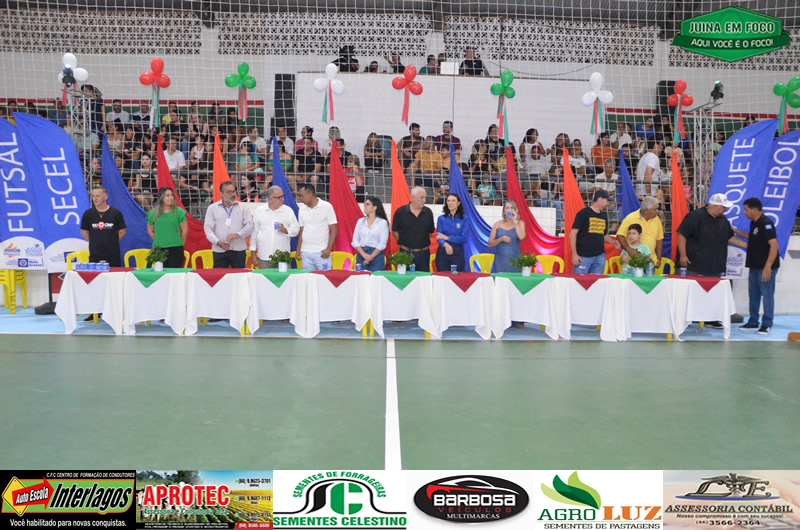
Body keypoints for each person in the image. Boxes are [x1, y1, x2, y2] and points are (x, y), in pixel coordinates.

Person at [676, 193, 748, 329]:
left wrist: (748, 246)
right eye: (723, 207)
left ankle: (711, 318)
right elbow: (681, 234)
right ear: (715, 206)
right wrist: (683, 255)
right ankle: (686, 318)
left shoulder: (723, 220)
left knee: (713, 294)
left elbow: (730, 238)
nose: (725, 210)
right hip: (694, 264)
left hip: (715, 265)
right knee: (690, 293)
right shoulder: (695, 216)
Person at [736, 197, 779, 334]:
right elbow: (753, 236)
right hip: (754, 266)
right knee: (753, 295)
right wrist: (735, 231)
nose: (744, 212)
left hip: (765, 267)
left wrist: (768, 266)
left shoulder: (766, 223)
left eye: (746, 209)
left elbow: (774, 245)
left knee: (767, 296)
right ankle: (753, 321)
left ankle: (767, 324)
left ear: (754, 210)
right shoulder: (754, 222)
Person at [203, 181, 254, 268]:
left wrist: (238, 234)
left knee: (239, 275)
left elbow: (250, 225)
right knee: (220, 275)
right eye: (229, 192)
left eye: (233, 191)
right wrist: (217, 242)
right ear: (221, 194)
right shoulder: (212, 208)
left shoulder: (243, 208)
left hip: (238, 249)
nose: (232, 194)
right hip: (219, 249)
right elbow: (208, 228)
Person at [250, 186, 299, 268]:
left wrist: (286, 230)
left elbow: (296, 230)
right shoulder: (259, 211)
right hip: (264, 256)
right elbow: (254, 233)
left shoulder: (288, 211)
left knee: (284, 277)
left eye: (283, 196)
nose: (282, 199)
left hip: (283, 257)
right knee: (265, 276)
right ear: (271, 199)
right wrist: (253, 254)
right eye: (279, 197)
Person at [570, 190, 617, 274]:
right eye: (607, 200)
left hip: (599, 256)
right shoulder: (583, 213)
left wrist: (614, 242)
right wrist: (574, 254)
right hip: (583, 256)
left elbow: (603, 235)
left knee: (597, 281)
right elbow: (573, 233)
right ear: (600, 199)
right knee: (579, 280)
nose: (608, 204)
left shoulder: (604, 216)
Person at [80, 186, 127, 267]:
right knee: (95, 273)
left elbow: (122, 231)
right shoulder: (88, 214)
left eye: (98, 196)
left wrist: (112, 242)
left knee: (114, 273)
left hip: (112, 253)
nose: (95, 199)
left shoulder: (115, 213)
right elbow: (83, 231)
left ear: (105, 197)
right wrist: (94, 242)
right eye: (93, 196)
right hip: (95, 253)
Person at [392, 186, 435, 271]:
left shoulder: (428, 212)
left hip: (424, 254)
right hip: (405, 254)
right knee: (405, 278)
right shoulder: (400, 212)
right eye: (421, 197)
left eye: (425, 197)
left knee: (423, 278)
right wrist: (404, 243)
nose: (424, 200)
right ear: (413, 198)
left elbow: (430, 233)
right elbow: (395, 231)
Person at [296, 184, 337, 270]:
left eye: (302, 196)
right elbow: (301, 230)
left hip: (322, 252)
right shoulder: (302, 209)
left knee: (325, 277)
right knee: (307, 277)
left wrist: (329, 249)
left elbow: (334, 229)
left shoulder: (327, 206)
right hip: (306, 252)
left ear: (310, 194)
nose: (300, 198)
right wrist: (298, 249)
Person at [146, 187, 188, 268]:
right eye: (167, 195)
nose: (170, 197)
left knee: (175, 274)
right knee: (160, 273)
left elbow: (185, 230)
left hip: (176, 249)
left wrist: (180, 244)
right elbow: (150, 230)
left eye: (172, 195)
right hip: (158, 249)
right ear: (161, 198)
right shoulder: (152, 213)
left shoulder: (179, 212)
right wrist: (159, 240)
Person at [616, 196, 663, 266]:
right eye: (655, 209)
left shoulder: (657, 219)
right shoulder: (630, 218)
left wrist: (658, 259)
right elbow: (619, 236)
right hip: (632, 261)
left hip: (650, 262)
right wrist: (629, 249)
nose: (657, 211)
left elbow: (659, 240)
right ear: (646, 210)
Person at [352, 196, 390, 272]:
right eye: (365, 204)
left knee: (375, 277)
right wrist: (364, 255)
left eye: (368, 204)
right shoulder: (360, 221)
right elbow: (355, 240)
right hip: (361, 254)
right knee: (361, 277)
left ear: (375, 207)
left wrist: (371, 256)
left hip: (376, 255)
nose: (365, 206)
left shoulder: (382, 223)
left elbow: (382, 243)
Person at [489, 199, 526, 272]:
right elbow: (490, 244)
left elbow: (521, 237)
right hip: (500, 263)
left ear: (515, 210)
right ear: (504, 211)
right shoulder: (497, 224)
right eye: (507, 208)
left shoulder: (520, 223)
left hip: (515, 262)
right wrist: (501, 239)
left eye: (512, 208)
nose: (510, 210)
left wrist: (515, 222)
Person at [434, 194, 469, 272]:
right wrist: (446, 245)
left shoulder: (464, 219)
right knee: (442, 277)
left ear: (458, 203)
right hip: (443, 252)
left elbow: (464, 238)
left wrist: (447, 238)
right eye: (448, 201)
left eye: (453, 201)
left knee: (457, 277)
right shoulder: (441, 219)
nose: (450, 203)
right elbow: (438, 236)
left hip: (458, 253)